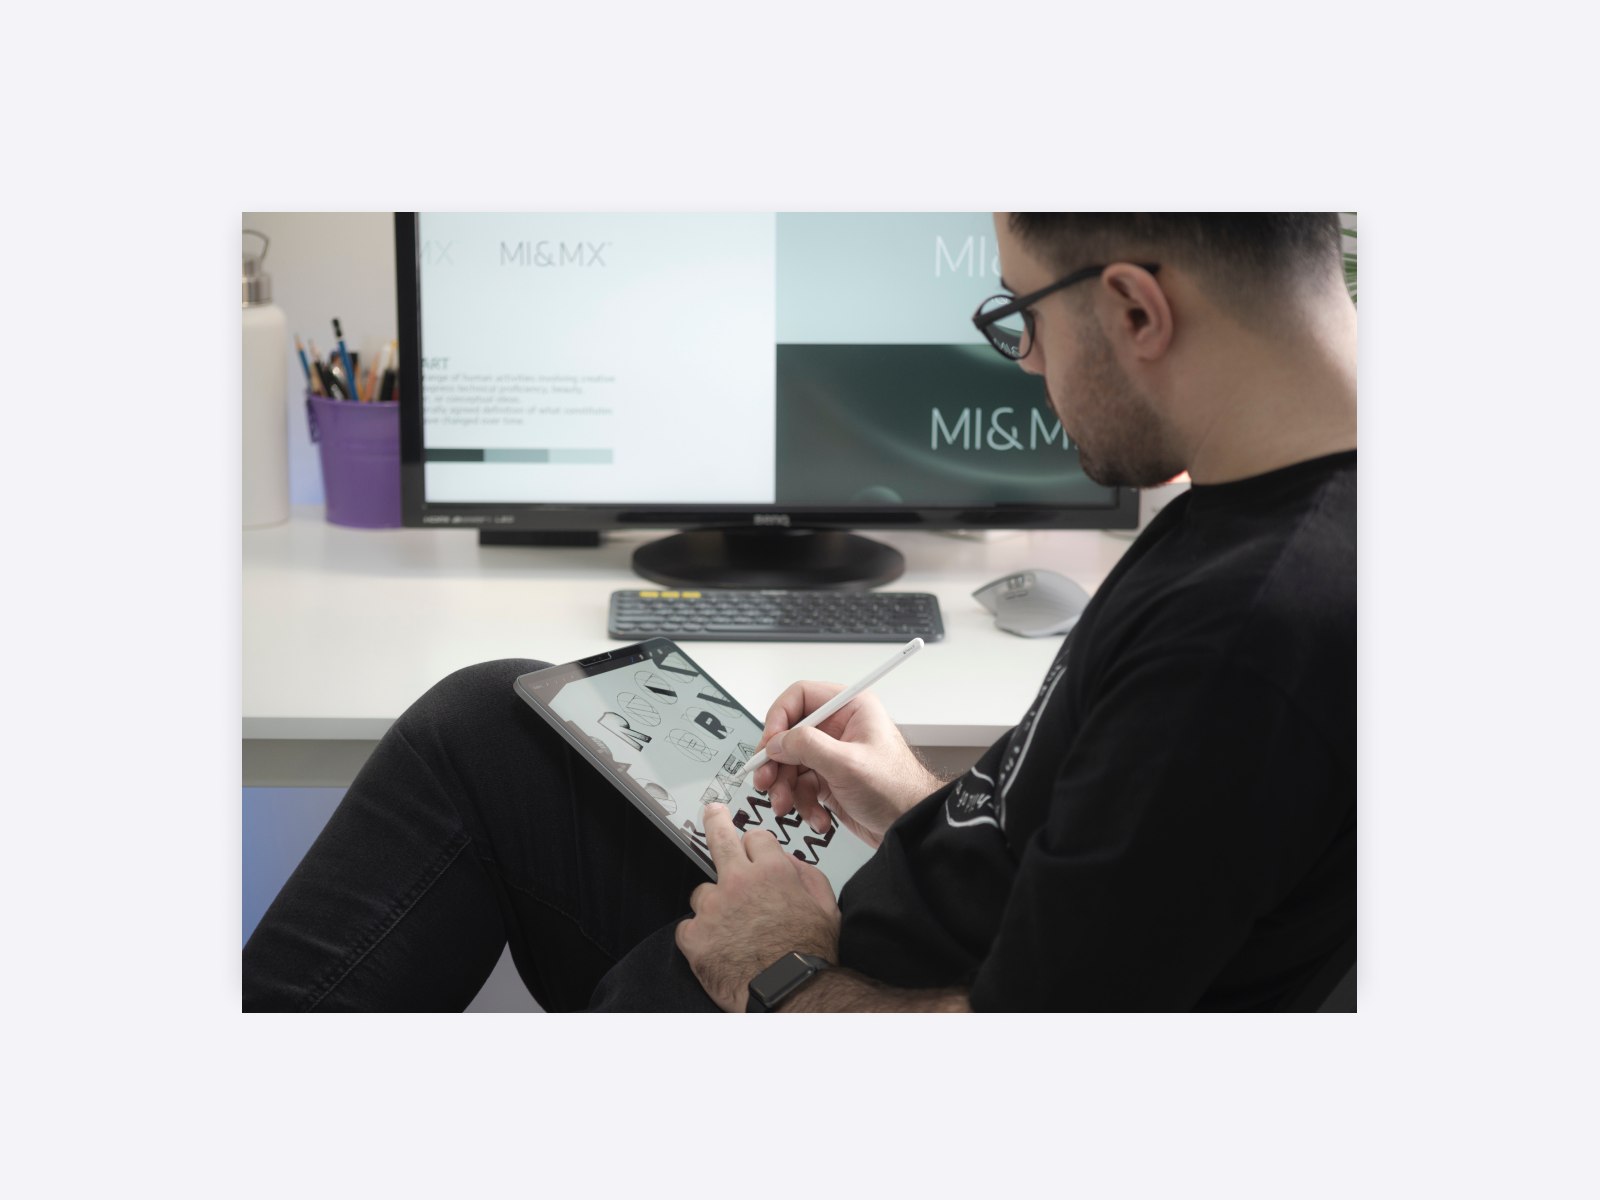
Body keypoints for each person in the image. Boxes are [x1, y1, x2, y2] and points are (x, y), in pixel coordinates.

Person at [244, 213, 1356, 1012]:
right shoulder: (1265, 499)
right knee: (495, 720)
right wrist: (918, 802)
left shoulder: (1248, 637)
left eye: (1021, 318)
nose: (1026, 362)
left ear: (1130, 307)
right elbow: (1126, 857)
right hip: (882, 938)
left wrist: (778, 969)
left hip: (829, 1000)